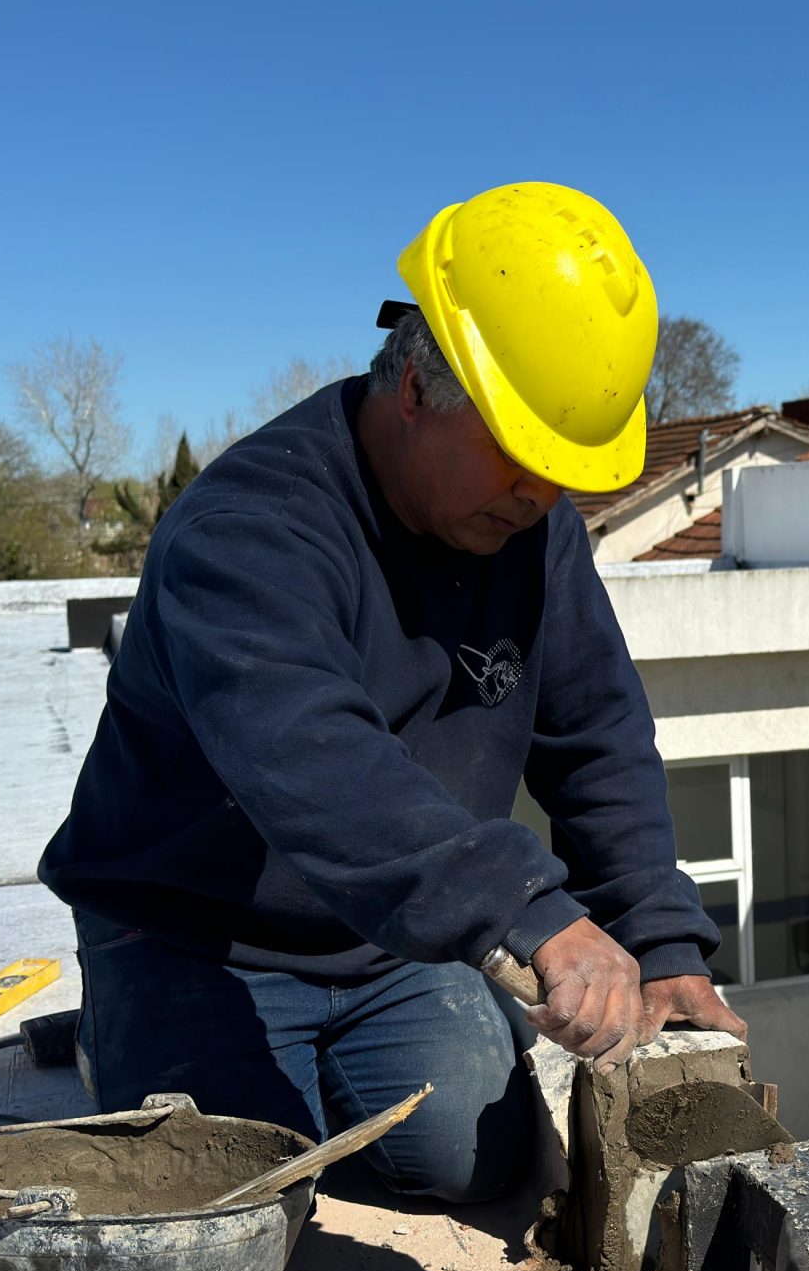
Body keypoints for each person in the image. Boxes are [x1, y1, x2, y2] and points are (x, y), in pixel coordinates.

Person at [38, 182, 739, 1205]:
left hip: (385, 944)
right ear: (415, 388)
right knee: (236, 1208)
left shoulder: (525, 529)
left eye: (558, 473)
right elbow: (319, 764)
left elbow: (594, 735)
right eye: (518, 455)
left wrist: (663, 941)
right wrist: (531, 912)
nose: (540, 497)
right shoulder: (250, 532)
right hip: (192, 938)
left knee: (473, 1164)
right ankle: (116, 1033)